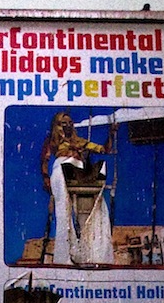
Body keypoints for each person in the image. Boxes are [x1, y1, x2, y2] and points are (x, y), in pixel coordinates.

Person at [39, 111, 114, 266]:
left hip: (80, 171)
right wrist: (46, 178)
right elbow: (44, 160)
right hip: (62, 169)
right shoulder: (53, 141)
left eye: (70, 122)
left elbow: (103, 149)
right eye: (63, 122)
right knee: (64, 213)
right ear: (58, 125)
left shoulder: (79, 141)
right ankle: (64, 257)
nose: (68, 125)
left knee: (92, 210)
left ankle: (92, 254)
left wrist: (112, 133)